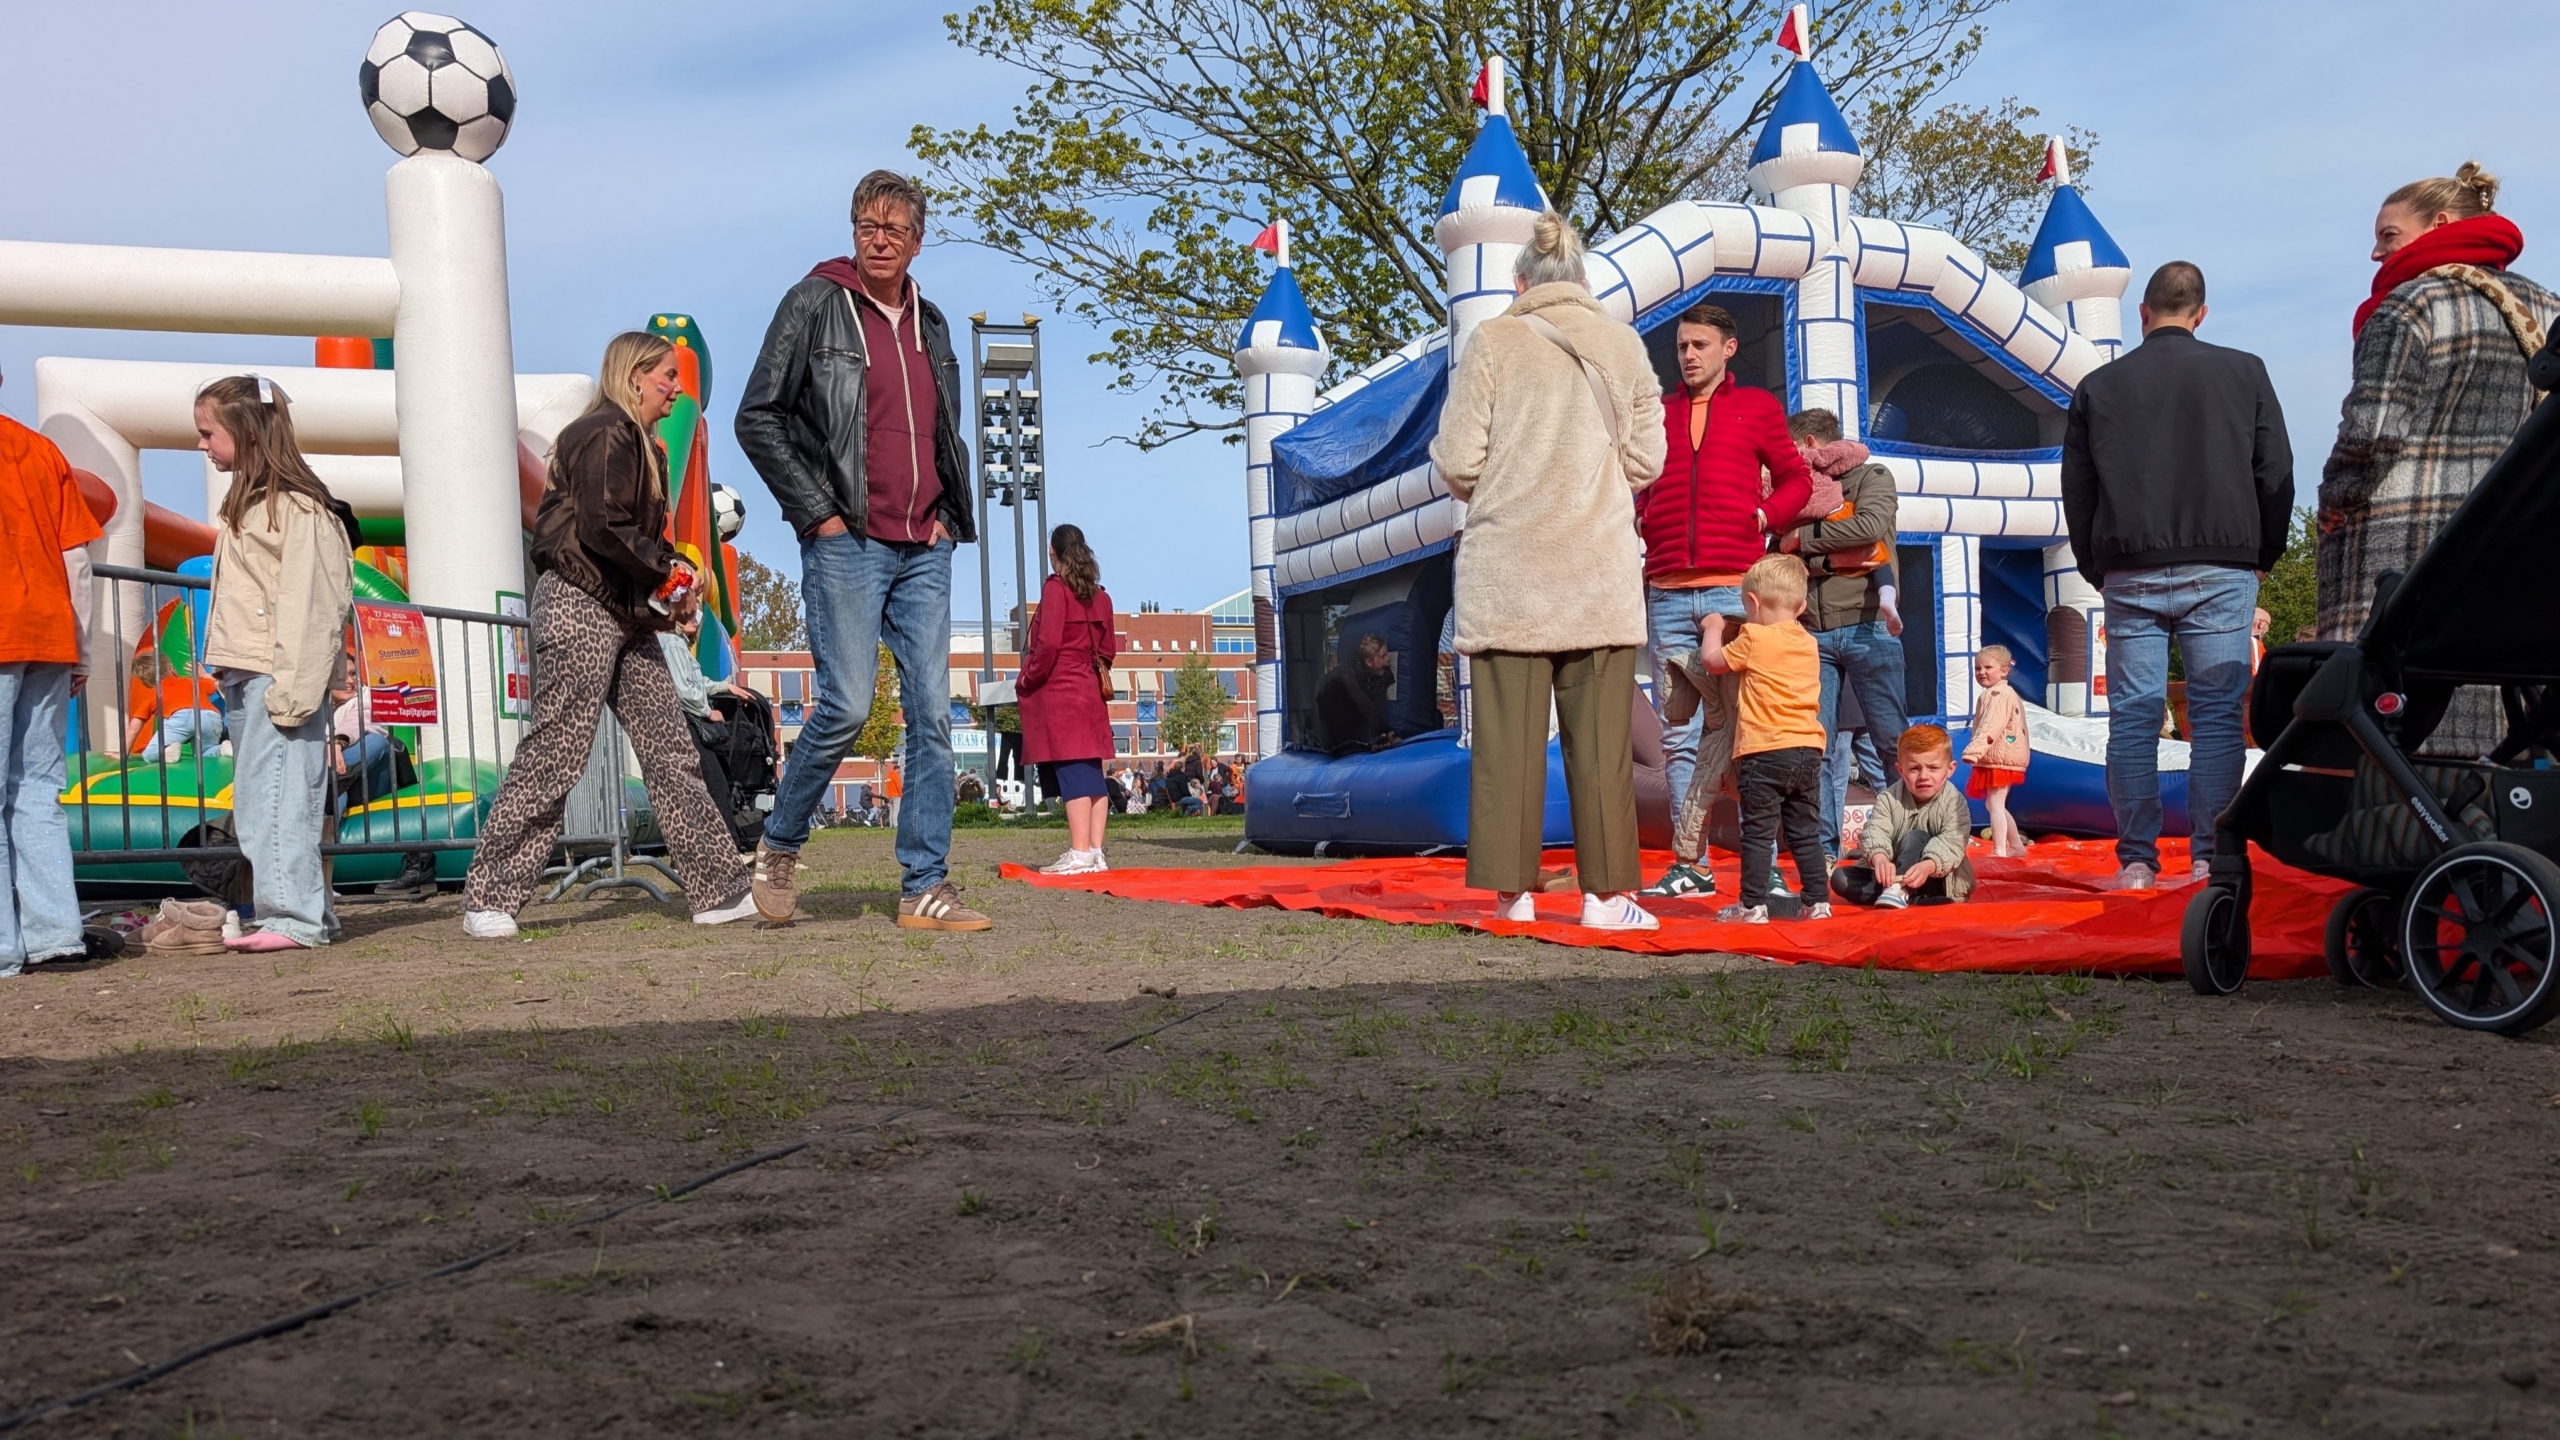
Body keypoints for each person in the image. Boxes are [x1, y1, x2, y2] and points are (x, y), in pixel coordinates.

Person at [736, 169, 986, 932]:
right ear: (854, 232)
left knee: (933, 718)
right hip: (849, 542)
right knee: (844, 707)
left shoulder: (932, 323)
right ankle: (779, 844)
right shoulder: (815, 302)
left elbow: (945, 432)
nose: (881, 240)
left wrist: (948, 512)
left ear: (917, 240)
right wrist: (819, 516)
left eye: (895, 229)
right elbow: (759, 417)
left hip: (924, 547)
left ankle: (924, 887)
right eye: (868, 226)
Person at [459, 333, 758, 937]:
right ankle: (489, 896)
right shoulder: (604, 432)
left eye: (677, 377)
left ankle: (719, 888)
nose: (676, 389)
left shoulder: (644, 445)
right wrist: (667, 570)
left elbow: (621, 531)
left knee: (672, 749)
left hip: (626, 613)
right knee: (558, 748)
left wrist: (669, 579)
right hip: (579, 602)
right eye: (667, 376)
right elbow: (603, 526)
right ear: (634, 375)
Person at [1430, 210, 1667, 931]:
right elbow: (1646, 461)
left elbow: (1458, 459)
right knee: (1601, 749)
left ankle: (1513, 895)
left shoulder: (1493, 341)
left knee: (1506, 744)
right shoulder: (1624, 345)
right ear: (1583, 276)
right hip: (1596, 567)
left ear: (1519, 281)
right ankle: (1603, 898)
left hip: (1511, 571)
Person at [2060, 261, 2293, 890]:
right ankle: (2209, 859)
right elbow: (2275, 470)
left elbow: (2077, 489)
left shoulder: (2100, 386)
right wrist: (2263, 553)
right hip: (2222, 561)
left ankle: (2136, 860)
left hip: (2130, 565)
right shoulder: (2244, 371)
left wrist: (2095, 563)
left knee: (2132, 717)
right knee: (2217, 716)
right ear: (2201, 313)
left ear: (2143, 312)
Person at [2320, 162, 2556, 754]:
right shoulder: (2551, 312)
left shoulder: (2410, 304)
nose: (2376, 253)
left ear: (2441, 224)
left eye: (2388, 235)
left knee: (2389, 712)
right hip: (2514, 556)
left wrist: (2335, 500)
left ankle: (2392, 828)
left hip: (2406, 546)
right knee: (2497, 719)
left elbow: (2372, 431)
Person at [195, 375, 354, 952]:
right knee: (262, 796)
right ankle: (303, 912)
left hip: (275, 674)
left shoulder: (298, 508)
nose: (203, 445)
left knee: (281, 796)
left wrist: (295, 689)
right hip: (250, 668)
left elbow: (313, 603)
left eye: (209, 433)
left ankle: (294, 916)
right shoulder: (253, 503)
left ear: (246, 431)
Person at [1640, 303, 1815, 812]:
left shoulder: (1758, 407)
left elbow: (1797, 479)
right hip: (1667, 589)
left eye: (1699, 345)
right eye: (1681, 347)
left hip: (1735, 588)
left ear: (1728, 348)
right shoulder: (1658, 411)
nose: (1688, 356)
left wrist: (1765, 516)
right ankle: (1688, 861)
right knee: (1677, 734)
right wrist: (1641, 513)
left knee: (1748, 727)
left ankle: (1759, 863)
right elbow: (1640, 474)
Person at [0, 364, 103, 977]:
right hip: (49, 633)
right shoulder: (41, 451)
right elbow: (77, 560)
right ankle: (56, 934)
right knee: (37, 790)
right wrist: (82, 649)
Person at [1774, 408, 1906, 853]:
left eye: (1791, 449)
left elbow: (1869, 529)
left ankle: (1906, 842)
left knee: (1891, 742)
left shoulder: (1872, 476)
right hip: (1813, 632)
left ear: (1811, 444)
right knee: (1818, 748)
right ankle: (1823, 851)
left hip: (1870, 627)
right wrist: (1826, 558)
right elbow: (1777, 549)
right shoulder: (1793, 489)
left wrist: (1803, 542)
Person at [1697, 554, 1830, 924]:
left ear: (1752, 603)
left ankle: (1752, 906)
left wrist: (1714, 626)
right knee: (1805, 831)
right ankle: (1817, 901)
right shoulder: (1808, 643)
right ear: (1801, 606)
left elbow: (1712, 661)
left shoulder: (1753, 636)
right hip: (1807, 749)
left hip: (1764, 750)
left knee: (1757, 832)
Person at [1019, 524, 1118, 874]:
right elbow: (1109, 650)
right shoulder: (1101, 596)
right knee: (1091, 771)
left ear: (1054, 553)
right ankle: (1094, 852)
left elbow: (1046, 645)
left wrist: (1028, 677)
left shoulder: (1056, 590)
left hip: (1060, 690)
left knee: (1073, 773)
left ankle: (1079, 853)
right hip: (1091, 690)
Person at [1830, 725, 1974, 908]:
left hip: (1936, 878)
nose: (1924, 776)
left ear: (1950, 769)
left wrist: (1929, 865)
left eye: (1933, 768)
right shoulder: (1888, 798)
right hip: (1892, 874)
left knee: (1916, 836)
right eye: (1914, 769)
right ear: (1900, 770)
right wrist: (1880, 858)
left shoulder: (1954, 802)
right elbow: (1875, 830)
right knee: (1840, 878)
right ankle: (1911, 898)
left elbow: (1953, 842)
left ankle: (1902, 891)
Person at [327, 675, 438, 898]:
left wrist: (336, 744)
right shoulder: (317, 706)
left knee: (376, 741)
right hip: (342, 783)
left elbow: (359, 721)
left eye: (353, 675)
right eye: (343, 675)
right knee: (336, 789)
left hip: (368, 778)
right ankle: (321, 882)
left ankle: (327, 777)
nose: (350, 681)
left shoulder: (365, 698)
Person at [1960, 644, 2030, 857]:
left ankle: (2000, 849)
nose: (1981, 672)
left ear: (2003, 671)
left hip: (2001, 757)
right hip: (1999, 756)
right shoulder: (1995, 693)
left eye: (1987, 667)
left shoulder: (1999, 694)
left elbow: (1991, 725)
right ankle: (2016, 846)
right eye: (1977, 668)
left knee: (1996, 803)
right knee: (1993, 803)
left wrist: (1974, 750)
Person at [1313, 633, 1395, 755]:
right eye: (1383, 656)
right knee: (1335, 746)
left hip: (1344, 704)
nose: (1388, 659)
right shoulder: (1349, 675)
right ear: (1369, 662)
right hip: (1327, 705)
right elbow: (1365, 704)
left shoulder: (1378, 672)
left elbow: (1378, 702)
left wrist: (1380, 736)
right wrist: (1389, 732)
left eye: (1387, 654)